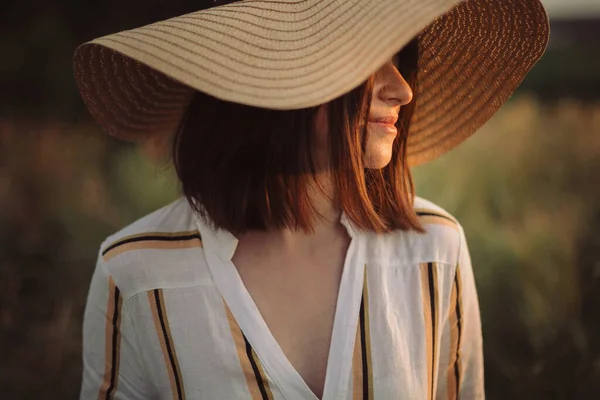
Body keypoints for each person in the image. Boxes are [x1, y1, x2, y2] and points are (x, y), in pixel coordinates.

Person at [74, 0, 549, 399]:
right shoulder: (137, 277)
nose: (402, 89)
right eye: (368, 57)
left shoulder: (432, 251)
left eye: (399, 57)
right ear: (272, 71)